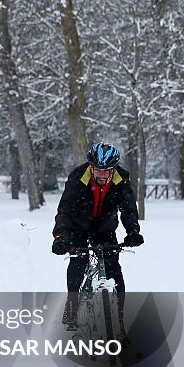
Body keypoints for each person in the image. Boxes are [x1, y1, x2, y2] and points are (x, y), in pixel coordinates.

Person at [51, 141, 144, 332]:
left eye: (107, 171)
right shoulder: (78, 177)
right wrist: (61, 236)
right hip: (79, 228)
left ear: (113, 169)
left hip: (104, 229)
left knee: (114, 270)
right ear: (91, 168)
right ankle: (72, 306)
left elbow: (128, 209)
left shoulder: (121, 179)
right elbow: (66, 210)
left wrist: (133, 231)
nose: (102, 175)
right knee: (78, 262)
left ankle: (117, 315)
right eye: (98, 170)